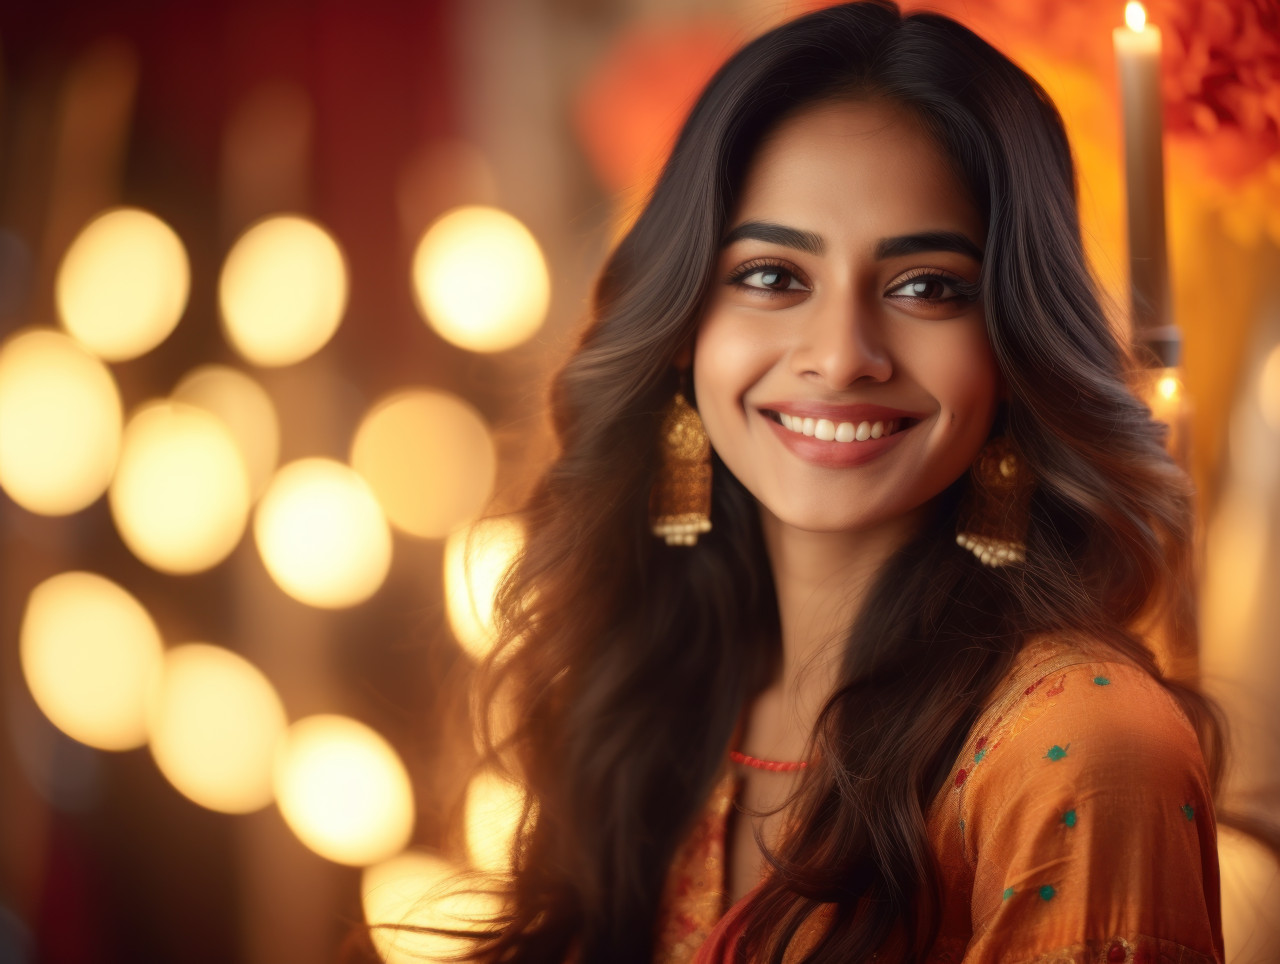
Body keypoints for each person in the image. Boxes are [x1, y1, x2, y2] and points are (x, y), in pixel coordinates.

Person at [465, 2, 1226, 961]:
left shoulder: (1081, 745)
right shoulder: (645, 688)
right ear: (683, 327)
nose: (841, 356)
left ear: (1015, 350)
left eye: (926, 287)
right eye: (774, 275)